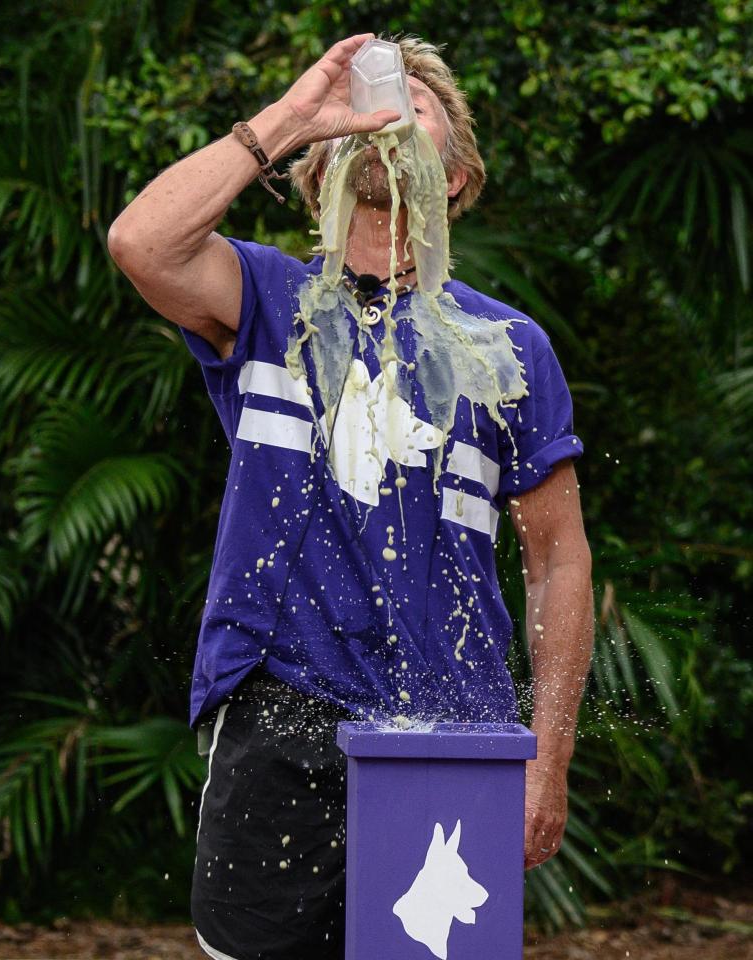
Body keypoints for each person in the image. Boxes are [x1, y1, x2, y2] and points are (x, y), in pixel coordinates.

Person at [108, 32, 594, 960]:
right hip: (279, 719)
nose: (390, 116)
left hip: (454, 730)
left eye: (419, 105)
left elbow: (559, 558)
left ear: (456, 176)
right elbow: (141, 241)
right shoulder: (266, 298)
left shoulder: (510, 347)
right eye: (374, 101)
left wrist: (547, 760)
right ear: (319, 164)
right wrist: (296, 116)